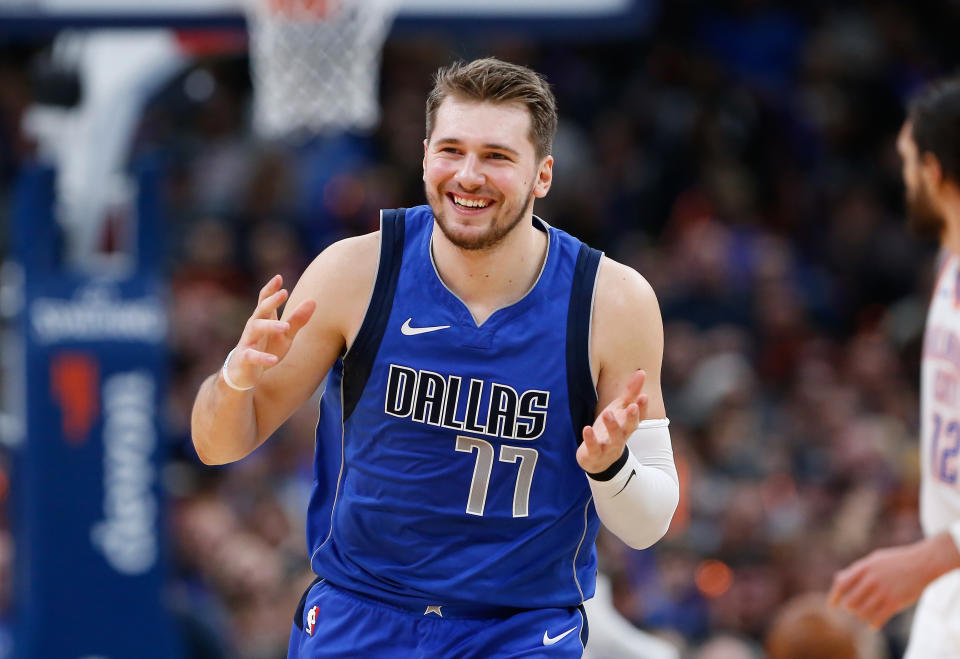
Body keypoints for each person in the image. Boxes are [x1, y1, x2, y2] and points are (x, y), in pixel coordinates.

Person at [191, 57, 679, 658]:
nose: (468, 175)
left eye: (497, 157)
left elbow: (648, 523)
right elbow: (216, 446)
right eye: (451, 150)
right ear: (425, 156)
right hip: (361, 611)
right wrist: (234, 382)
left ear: (542, 175)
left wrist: (609, 468)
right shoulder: (356, 272)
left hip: (519, 628)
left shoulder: (614, 301)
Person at [829, 77, 960, 657]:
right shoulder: (948, 265)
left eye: (908, 164)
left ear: (934, 172)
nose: (903, 180)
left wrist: (932, 555)